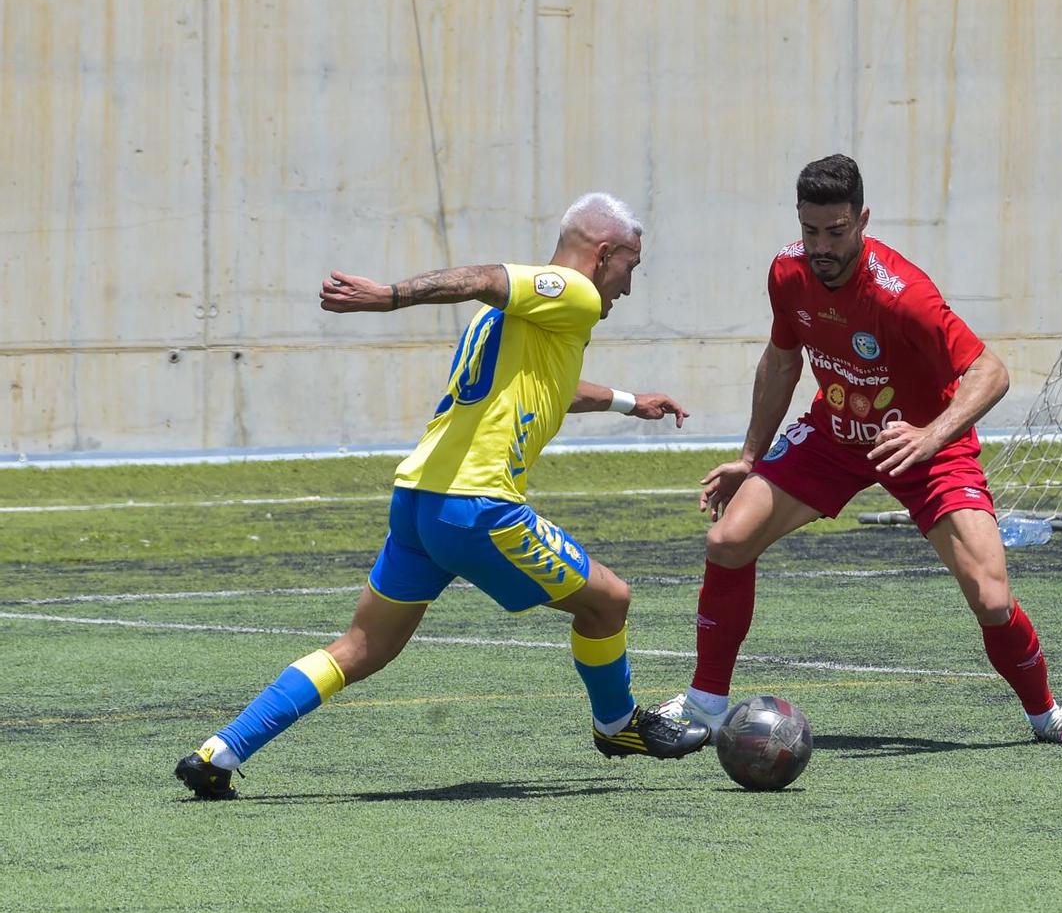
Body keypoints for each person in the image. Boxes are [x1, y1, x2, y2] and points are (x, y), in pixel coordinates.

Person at [175, 193, 708, 800]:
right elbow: (482, 277)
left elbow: (551, 385)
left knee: (359, 648)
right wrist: (389, 297)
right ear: (605, 253)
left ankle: (220, 751)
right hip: (477, 507)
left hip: (419, 500)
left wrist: (627, 401)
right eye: (631, 268)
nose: (628, 288)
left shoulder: (526, 317)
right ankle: (618, 726)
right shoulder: (573, 291)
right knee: (609, 600)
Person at [652, 155, 1062, 745]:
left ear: (862, 219)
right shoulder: (786, 273)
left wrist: (932, 435)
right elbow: (781, 360)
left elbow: (990, 372)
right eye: (810, 231)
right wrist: (750, 456)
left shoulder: (904, 295)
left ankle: (1048, 713)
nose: (821, 246)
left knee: (990, 596)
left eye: (836, 231)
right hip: (834, 435)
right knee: (727, 539)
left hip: (925, 445)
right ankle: (706, 704)